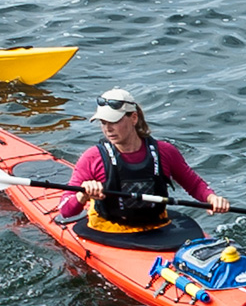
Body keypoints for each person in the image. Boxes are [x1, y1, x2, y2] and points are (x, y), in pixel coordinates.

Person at [56, 88, 230, 233]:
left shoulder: (165, 151)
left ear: (133, 118)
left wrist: (212, 198)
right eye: (103, 122)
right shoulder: (92, 157)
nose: (108, 128)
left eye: (114, 121)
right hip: (108, 230)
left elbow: (194, 185)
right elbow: (65, 211)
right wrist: (83, 195)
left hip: (156, 227)